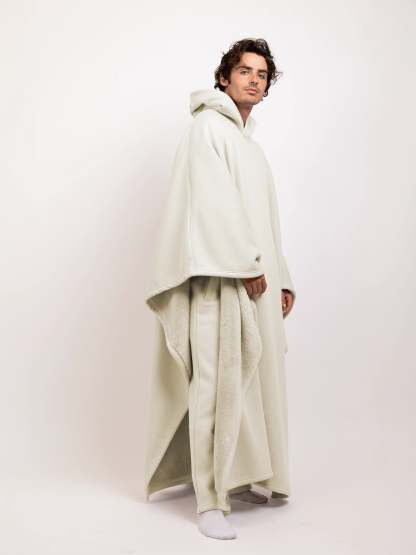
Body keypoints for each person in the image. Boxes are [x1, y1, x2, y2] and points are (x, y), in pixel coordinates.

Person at [144, 38, 296, 540]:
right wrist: (242, 263)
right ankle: (210, 501)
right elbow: (209, 206)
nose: (254, 79)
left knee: (251, 379)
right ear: (225, 78)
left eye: (262, 74)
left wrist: (282, 277)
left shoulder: (249, 145)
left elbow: (264, 220)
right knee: (216, 382)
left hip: (254, 279)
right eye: (244, 70)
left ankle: (241, 475)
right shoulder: (207, 128)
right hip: (222, 278)